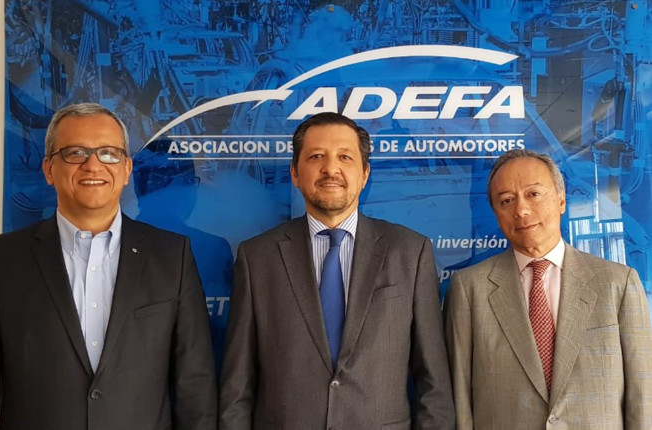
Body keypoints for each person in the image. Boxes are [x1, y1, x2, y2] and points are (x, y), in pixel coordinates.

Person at [0, 103, 217, 430]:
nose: (93, 165)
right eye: (75, 153)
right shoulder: (0, 260)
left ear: (127, 169)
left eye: (109, 153)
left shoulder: (172, 256)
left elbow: (195, 386)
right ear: (49, 169)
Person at [219, 112, 454, 429]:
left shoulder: (411, 252)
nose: (331, 169)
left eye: (345, 157)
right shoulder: (257, 257)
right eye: (316, 156)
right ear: (295, 172)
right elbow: (237, 386)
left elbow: (434, 385)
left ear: (365, 173)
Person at [445, 149, 652, 429]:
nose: (521, 210)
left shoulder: (618, 283)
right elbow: (460, 400)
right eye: (506, 200)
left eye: (534, 194)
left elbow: (642, 396)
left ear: (561, 200)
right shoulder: (469, 288)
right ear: (496, 213)